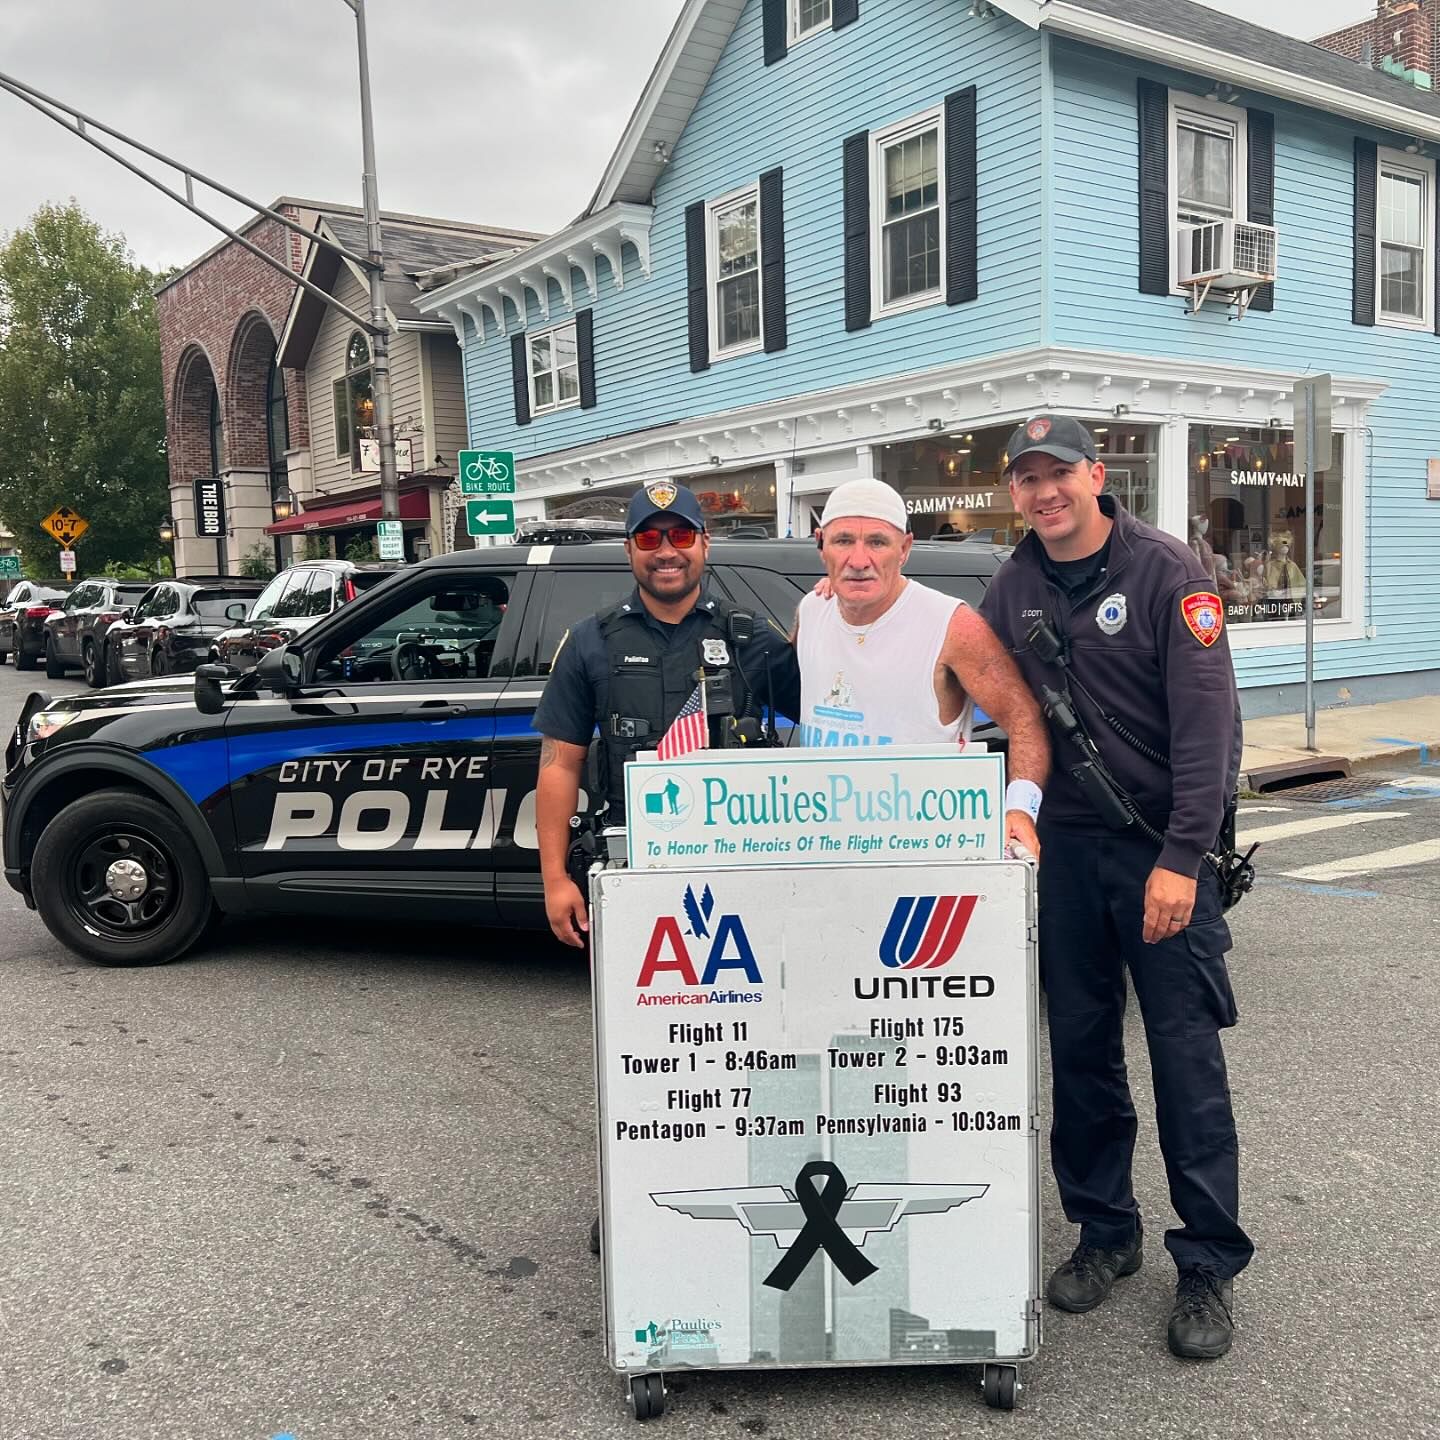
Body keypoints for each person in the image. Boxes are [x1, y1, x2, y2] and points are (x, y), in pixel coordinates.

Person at [980, 413, 1251, 1361]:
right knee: (1082, 1052)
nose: (1045, 492)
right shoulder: (1010, 585)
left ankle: (1207, 1262)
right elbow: (984, 700)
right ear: (1013, 491)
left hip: (1158, 852)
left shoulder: (1168, 572)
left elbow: (1208, 730)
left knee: (1185, 1061)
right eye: (1028, 478)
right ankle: (1106, 1232)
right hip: (1065, 856)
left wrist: (1183, 858)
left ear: (1098, 475)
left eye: (1061, 474)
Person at [533, 480, 800, 948]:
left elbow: (834, 713)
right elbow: (560, 763)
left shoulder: (750, 636)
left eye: (680, 536)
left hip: (737, 860)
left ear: (703, 543)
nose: (665, 552)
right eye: (649, 538)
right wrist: (555, 880)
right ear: (628, 549)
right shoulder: (590, 640)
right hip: (631, 860)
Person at [793, 478, 1050, 857]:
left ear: (905, 550)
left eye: (877, 543)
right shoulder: (811, 610)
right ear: (821, 546)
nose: (859, 560)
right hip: (824, 845)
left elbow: (1024, 718)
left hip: (925, 852)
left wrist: (1020, 809)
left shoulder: (951, 625)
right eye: (843, 541)